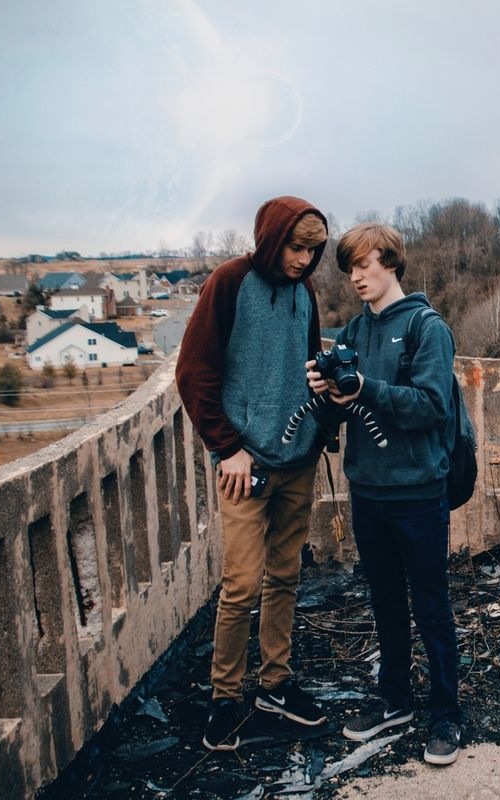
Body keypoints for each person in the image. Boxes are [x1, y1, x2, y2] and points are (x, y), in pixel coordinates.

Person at [306, 222, 465, 765]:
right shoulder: (352, 331)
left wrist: (364, 388)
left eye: (364, 264)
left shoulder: (427, 327)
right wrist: (326, 393)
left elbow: (431, 406)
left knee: (431, 604)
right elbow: (344, 412)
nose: (355, 276)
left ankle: (446, 714)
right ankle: (395, 698)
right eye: (348, 267)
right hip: (367, 489)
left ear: (391, 262)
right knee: (385, 603)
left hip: (419, 490)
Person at [176, 196, 331, 751]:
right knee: (242, 584)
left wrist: (323, 406)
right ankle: (224, 697)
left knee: (285, 577)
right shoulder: (228, 282)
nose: (303, 260)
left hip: (298, 461)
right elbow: (192, 371)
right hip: (245, 463)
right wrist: (227, 448)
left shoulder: (305, 292)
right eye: (296, 247)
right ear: (271, 238)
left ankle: (275, 684)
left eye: (313, 251)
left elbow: (309, 362)